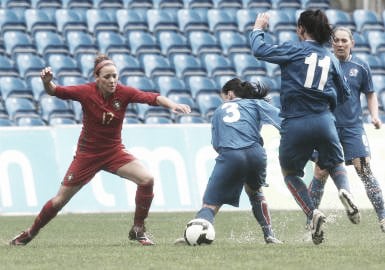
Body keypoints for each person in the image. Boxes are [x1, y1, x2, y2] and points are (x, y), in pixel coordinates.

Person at [9, 54, 191, 246]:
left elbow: (153, 98)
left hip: (114, 152)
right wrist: (47, 82)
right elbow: (54, 91)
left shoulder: (124, 92)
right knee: (59, 201)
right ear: (97, 78)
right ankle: (30, 233)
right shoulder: (85, 92)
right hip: (87, 155)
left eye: (115, 76)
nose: (112, 81)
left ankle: (138, 229)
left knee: (147, 179)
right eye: (107, 77)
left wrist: (173, 105)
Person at [250, 10, 360, 245]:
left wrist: (258, 27)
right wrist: (326, 101)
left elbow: (259, 50)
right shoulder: (330, 58)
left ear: (301, 29)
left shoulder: (294, 49)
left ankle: (313, 212)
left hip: (295, 122)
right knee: (335, 162)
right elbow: (345, 94)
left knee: (290, 173)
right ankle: (345, 190)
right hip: (324, 121)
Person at [175, 78, 283, 245]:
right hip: (256, 153)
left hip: (231, 155)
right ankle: (269, 234)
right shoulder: (255, 104)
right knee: (255, 192)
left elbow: (217, 144)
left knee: (210, 202)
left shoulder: (219, 110)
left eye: (223, 96)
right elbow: (282, 121)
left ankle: (195, 233)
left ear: (230, 94)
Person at [308, 26, 385, 232]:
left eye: (344, 40)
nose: (340, 44)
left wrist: (375, 115)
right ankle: (311, 221)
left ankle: (383, 218)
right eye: (336, 40)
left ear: (352, 43)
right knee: (320, 172)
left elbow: (370, 93)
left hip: (353, 127)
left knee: (365, 170)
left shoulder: (361, 66)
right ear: (331, 43)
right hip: (326, 126)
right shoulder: (323, 64)